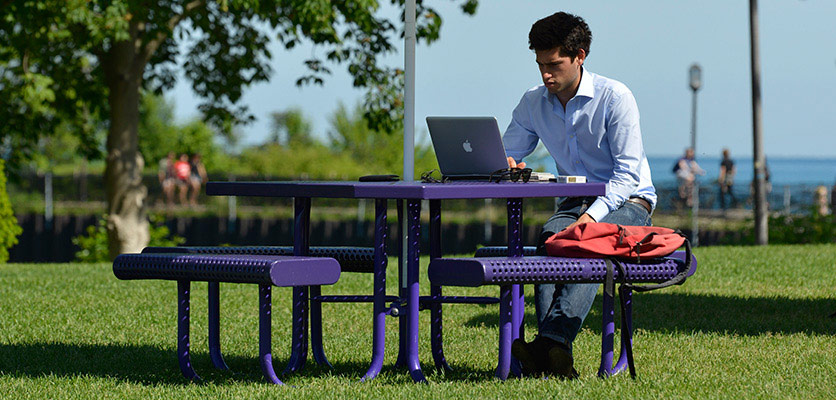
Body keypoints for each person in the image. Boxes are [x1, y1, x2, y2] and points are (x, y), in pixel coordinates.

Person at [502, 11, 656, 378]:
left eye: (553, 64)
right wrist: (509, 165)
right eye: (540, 64)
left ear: (580, 56)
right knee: (549, 241)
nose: (545, 74)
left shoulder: (615, 97)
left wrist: (590, 220)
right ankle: (555, 352)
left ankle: (550, 342)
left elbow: (626, 176)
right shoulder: (533, 101)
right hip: (575, 201)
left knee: (587, 243)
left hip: (630, 201)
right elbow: (508, 153)